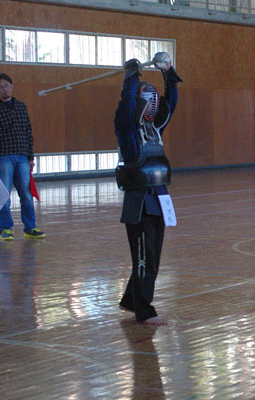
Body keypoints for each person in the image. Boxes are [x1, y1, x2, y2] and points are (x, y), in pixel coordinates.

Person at [114, 53, 182, 326]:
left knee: (152, 256)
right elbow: (126, 106)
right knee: (144, 257)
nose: (153, 104)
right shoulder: (128, 134)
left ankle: (131, 300)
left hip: (159, 200)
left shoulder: (155, 131)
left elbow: (171, 104)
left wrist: (168, 73)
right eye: (148, 98)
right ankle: (144, 310)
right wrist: (131, 76)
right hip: (139, 202)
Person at [0, 73, 45, 241]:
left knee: (27, 195)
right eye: (0, 87)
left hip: (22, 157)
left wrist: (30, 157)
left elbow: (28, 131)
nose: (4, 89)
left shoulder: (21, 106)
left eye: (7, 85)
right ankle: (5, 229)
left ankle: (30, 227)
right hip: (3, 158)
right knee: (3, 196)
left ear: (12, 87)